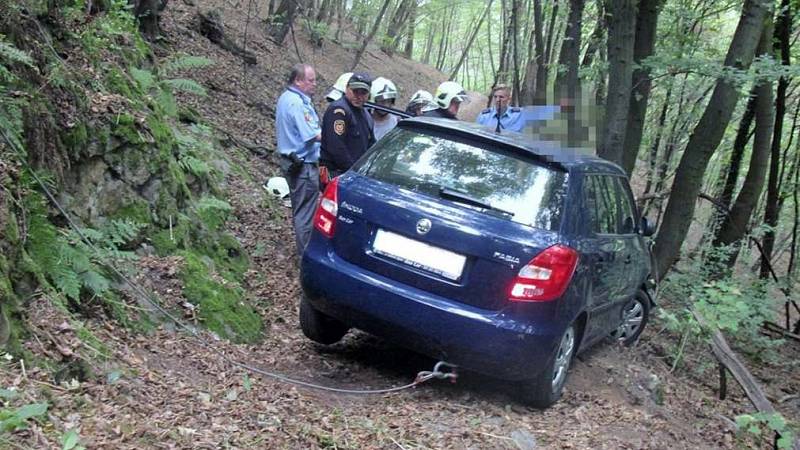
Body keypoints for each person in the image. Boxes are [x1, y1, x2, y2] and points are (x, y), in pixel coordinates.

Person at [274, 63, 322, 255]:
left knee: (301, 210)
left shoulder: (286, 98)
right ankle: (305, 257)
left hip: (293, 161)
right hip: (303, 165)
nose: (315, 84)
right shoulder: (296, 103)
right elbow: (312, 134)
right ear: (298, 80)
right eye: (311, 80)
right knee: (305, 214)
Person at [320, 72, 375, 178]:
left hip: (354, 174)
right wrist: (352, 171)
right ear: (347, 89)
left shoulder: (366, 115)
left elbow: (371, 145)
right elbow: (336, 147)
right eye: (355, 91)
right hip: (335, 173)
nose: (358, 96)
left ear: (368, 94)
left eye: (363, 92)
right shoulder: (339, 111)